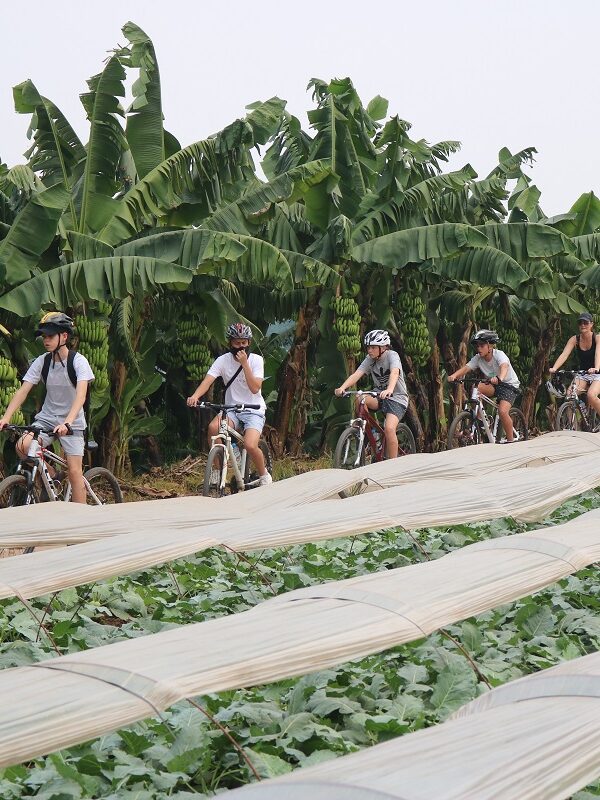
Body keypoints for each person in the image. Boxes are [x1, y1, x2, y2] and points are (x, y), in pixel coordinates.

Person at [0, 312, 94, 502]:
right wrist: (6, 418)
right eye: (44, 336)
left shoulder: (78, 362)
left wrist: (67, 422)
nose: (46, 340)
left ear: (64, 336)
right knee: (22, 447)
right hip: (47, 418)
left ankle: (82, 516)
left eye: (50, 336)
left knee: (74, 472)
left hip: (72, 422)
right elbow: (23, 391)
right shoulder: (43, 361)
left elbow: (81, 396)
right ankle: (52, 474)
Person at [186, 322, 272, 486]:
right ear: (230, 343)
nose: (241, 346)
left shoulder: (256, 360)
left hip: (253, 410)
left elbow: (255, 388)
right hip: (231, 409)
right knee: (213, 428)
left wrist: (245, 364)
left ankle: (264, 475)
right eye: (237, 343)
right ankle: (218, 473)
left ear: (249, 342)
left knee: (250, 445)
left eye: (244, 342)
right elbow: (208, 381)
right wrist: (195, 396)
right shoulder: (222, 361)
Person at [334, 329, 409, 458]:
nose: (369, 350)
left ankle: (394, 464)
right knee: (360, 399)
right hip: (379, 395)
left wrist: (390, 389)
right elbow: (357, 374)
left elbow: (395, 372)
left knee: (389, 429)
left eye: (373, 347)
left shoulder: (392, 355)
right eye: (368, 347)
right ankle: (373, 434)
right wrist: (342, 388)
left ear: (383, 347)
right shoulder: (370, 359)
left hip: (397, 398)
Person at [448, 329, 521, 443]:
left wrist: (500, 378)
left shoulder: (499, 355)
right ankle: (480, 419)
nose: (479, 348)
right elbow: (466, 368)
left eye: (482, 345)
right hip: (494, 385)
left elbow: (504, 367)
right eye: (477, 346)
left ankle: (511, 440)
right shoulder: (478, 358)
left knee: (502, 412)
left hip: (509, 386)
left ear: (490, 346)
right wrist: (454, 375)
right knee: (477, 387)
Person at [549, 311, 600, 416]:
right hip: (583, 373)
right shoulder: (574, 339)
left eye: (585, 323)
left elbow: (598, 354)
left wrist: (596, 368)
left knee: (591, 395)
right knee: (570, 396)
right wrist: (554, 368)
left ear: (591, 324)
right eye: (580, 323)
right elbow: (564, 355)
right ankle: (570, 425)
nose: (583, 325)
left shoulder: (597, 338)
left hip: (598, 373)